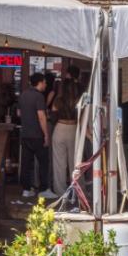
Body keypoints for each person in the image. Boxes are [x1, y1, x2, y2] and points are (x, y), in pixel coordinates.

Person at [18, 72, 52, 198]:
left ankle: (26, 189)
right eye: (45, 82)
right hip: (37, 134)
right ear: (40, 83)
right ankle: (44, 189)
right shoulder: (39, 97)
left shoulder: (23, 95)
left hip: (25, 133)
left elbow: (18, 112)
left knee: (26, 163)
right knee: (43, 162)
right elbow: (41, 116)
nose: (46, 84)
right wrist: (46, 135)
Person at [50, 65, 82, 197]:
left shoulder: (59, 99)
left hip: (60, 128)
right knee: (76, 163)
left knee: (59, 164)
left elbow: (53, 111)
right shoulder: (78, 99)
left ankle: (61, 192)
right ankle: (79, 191)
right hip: (74, 128)